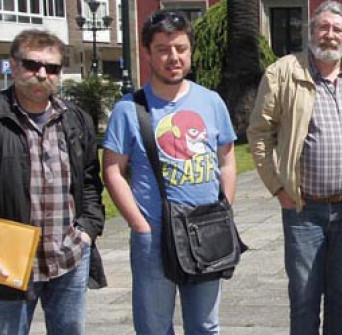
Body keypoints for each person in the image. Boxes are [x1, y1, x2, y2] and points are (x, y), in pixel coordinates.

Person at [246, 1, 342, 334]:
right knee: (304, 296)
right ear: (310, 32)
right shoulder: (283, 72)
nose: (329, 35)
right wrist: (278, 187)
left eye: (337, 29)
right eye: (322, 27)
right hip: (302, 209)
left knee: (341, 295)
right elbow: (258, 133)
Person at [0, 29, 105, 334]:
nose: (42, 74)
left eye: (52, 68)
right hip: (6, 260)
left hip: (68, 256)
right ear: (14, 64)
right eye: (33, 65)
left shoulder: (75, 119)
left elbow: (89, 181)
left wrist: (87, 230)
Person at [101, 10, 237, 334]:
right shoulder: (129, 108)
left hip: (205, 229)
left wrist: (225, 208)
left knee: (205, 324)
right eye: (162, 49)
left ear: (190, 51)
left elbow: (227, 160)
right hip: (154, 236)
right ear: (148, 53)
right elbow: (112, 170)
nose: (173, 57)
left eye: (180, 48)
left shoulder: (212, 102)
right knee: (154, 327)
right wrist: (140, 225)